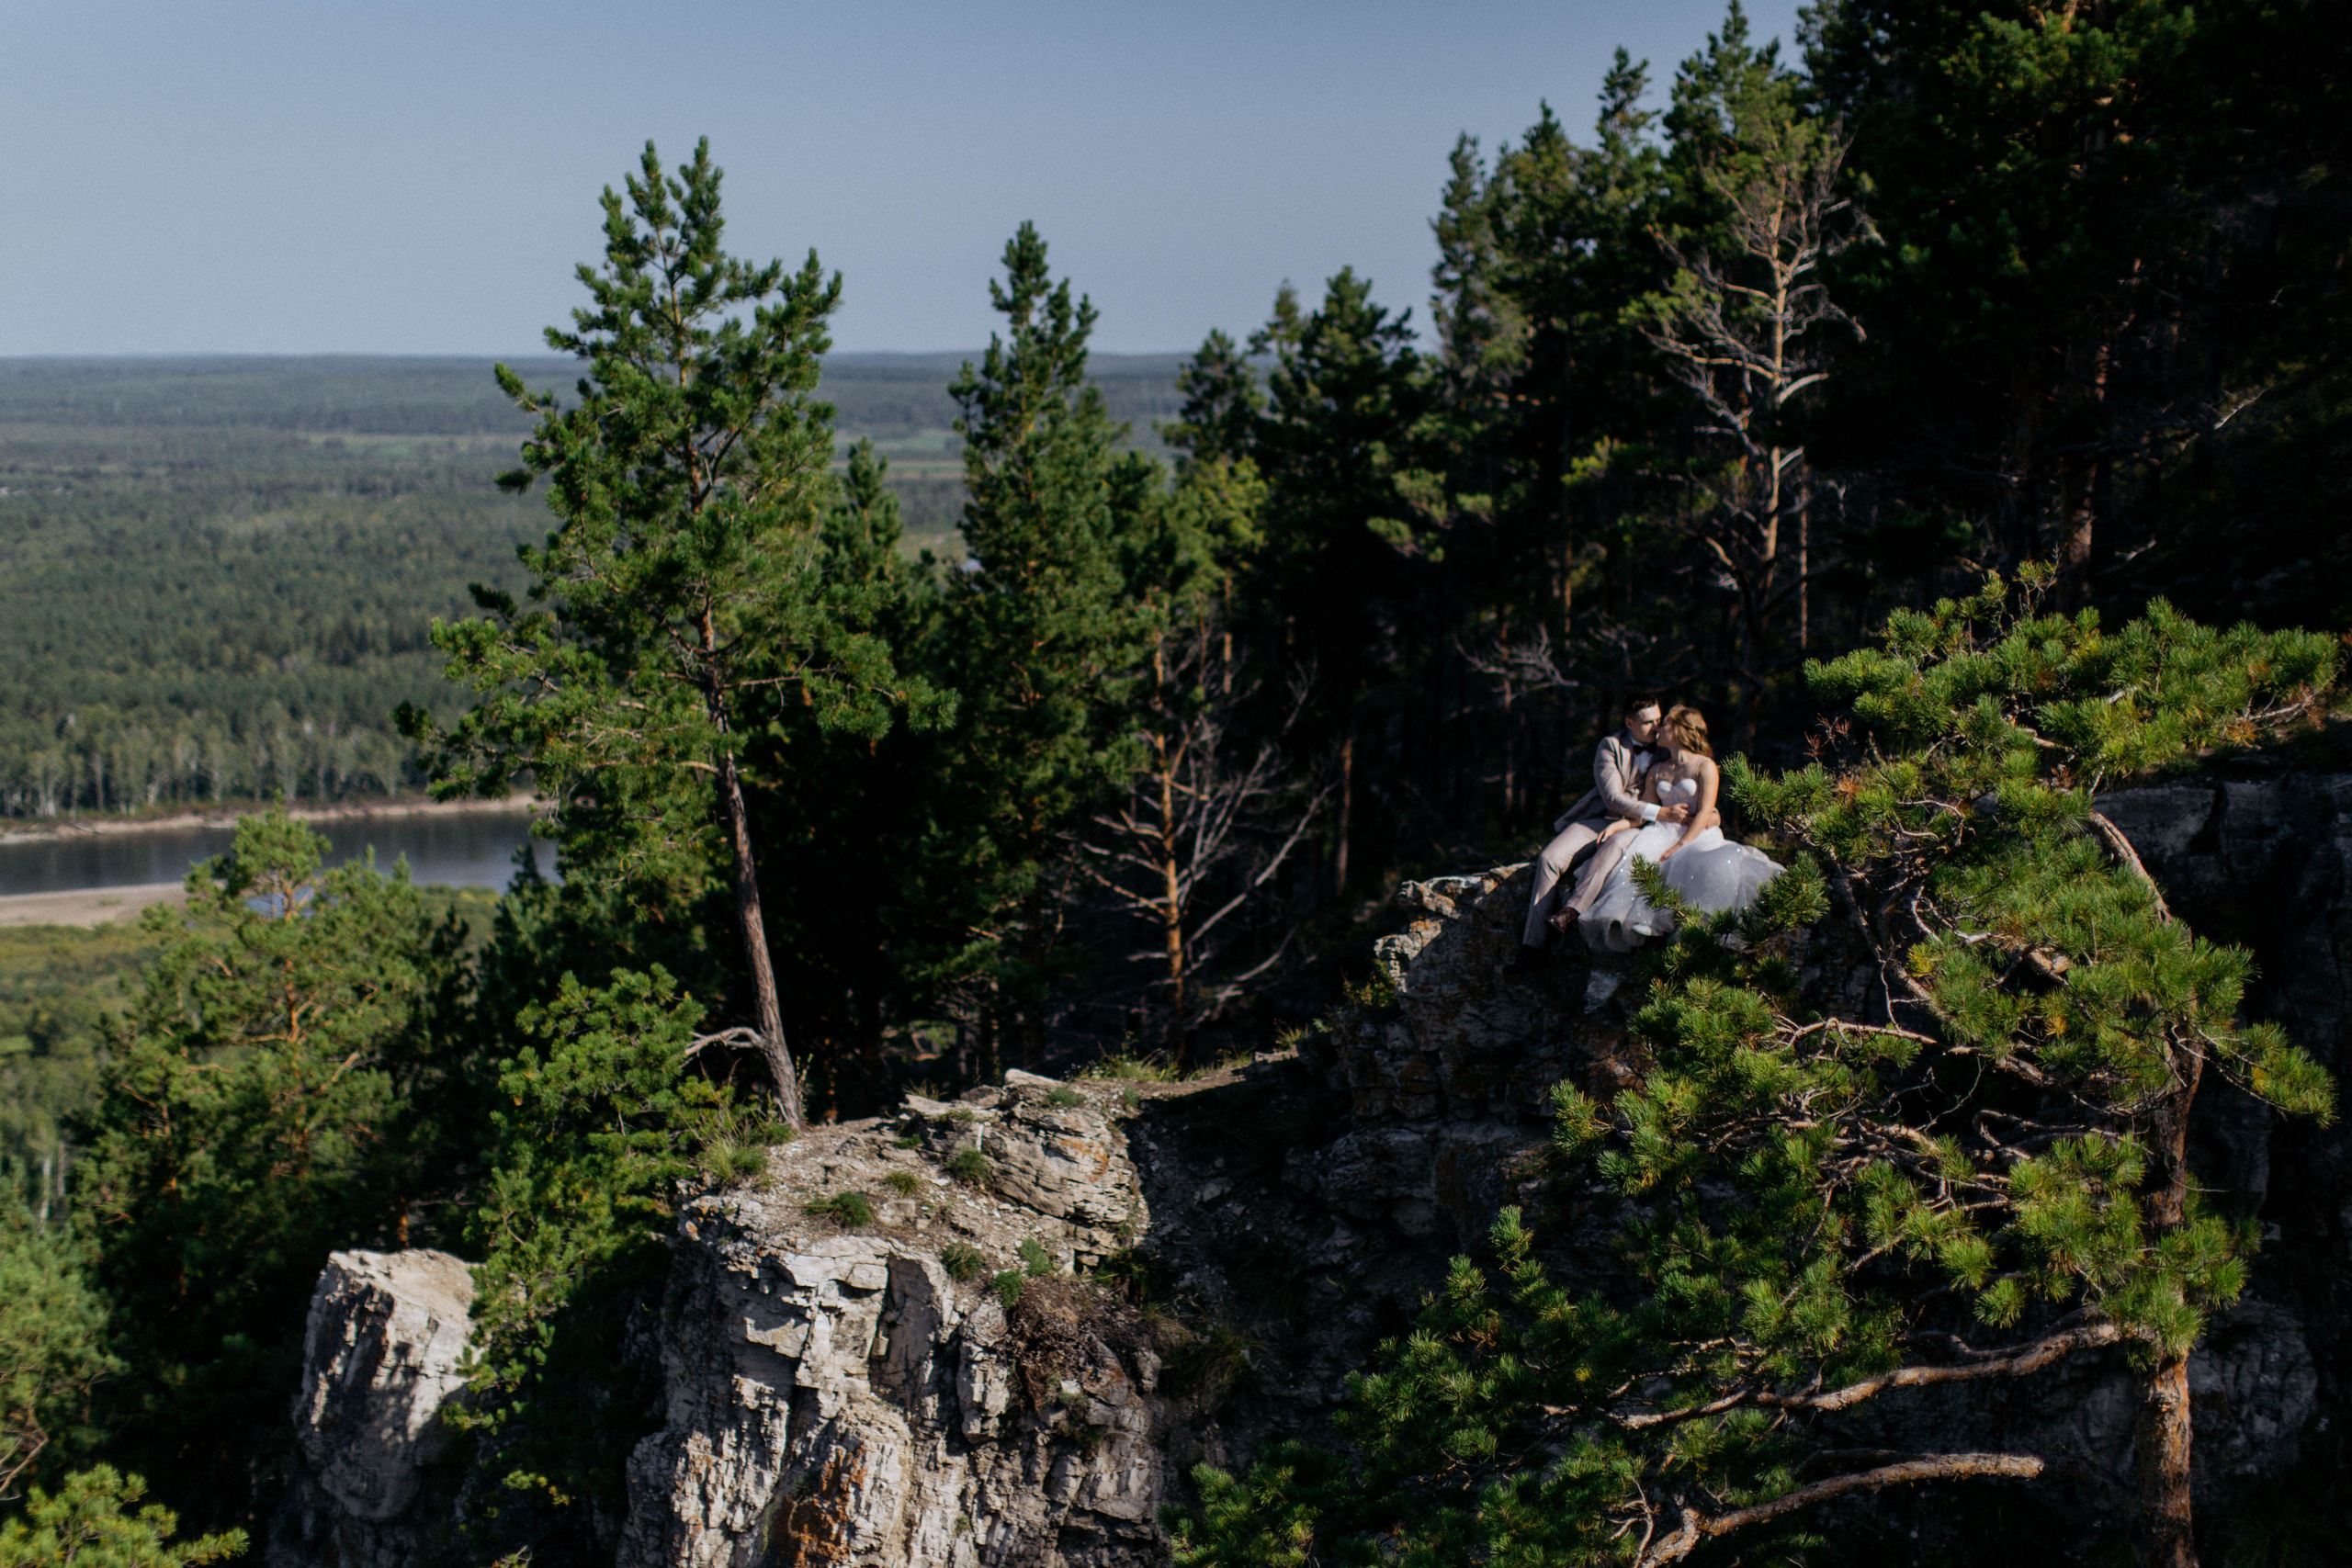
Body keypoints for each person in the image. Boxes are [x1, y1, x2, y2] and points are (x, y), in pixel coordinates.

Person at [1577, 704, 1785, 953]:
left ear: (1680, 729)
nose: (1658, 728)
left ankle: (1684, 924)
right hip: (1661, 831)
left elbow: (1706, 811)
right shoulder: (1657, 770)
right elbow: (1646, 811)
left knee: (1688, 861)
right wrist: (1618, 825)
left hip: (1696, 834)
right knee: (1638, 862)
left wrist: (1680, 844)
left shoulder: (1705, 766)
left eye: (1664, 723)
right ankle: (1645, 921)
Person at [1513, 694, 1691, 965]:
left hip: (1642, 825)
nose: (1656, 727)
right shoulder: (1611, 746)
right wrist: (1660, 811)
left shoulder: (1667, 746)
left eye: (1658, 720)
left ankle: (1570, 912)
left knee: (1614, 846)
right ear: (1629, 723)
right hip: (1602, 817)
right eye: (1648, 722)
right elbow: (1612, 798)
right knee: (1549, 859)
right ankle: (1532, 947)